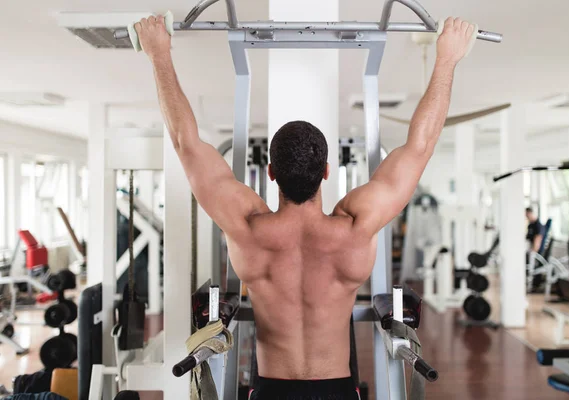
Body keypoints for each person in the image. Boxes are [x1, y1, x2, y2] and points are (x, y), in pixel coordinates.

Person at [135, 16, 476, 399]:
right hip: (337, 390)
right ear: (327, 171)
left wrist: (158, 54)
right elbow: (420, 146)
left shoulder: (247, 227)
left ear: (271, 173)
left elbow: (185, 142)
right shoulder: (354, 228)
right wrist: (447, 59)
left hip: (271, 389)